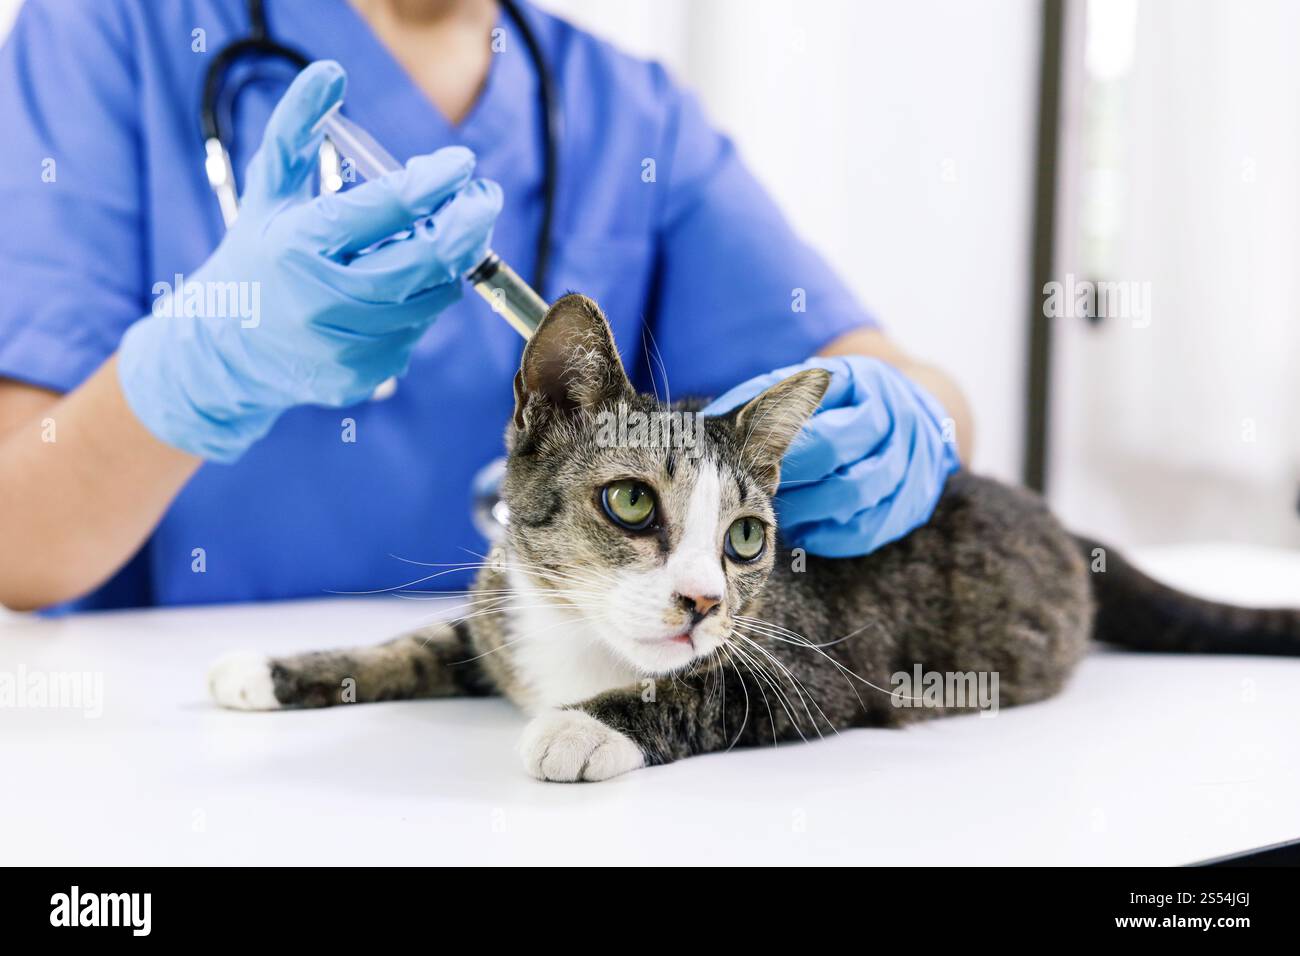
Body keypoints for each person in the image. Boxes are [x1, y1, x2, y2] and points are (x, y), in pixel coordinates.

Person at [0, 0, 971, 613]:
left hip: (531, 730)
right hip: (178, 744)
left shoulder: (628, 114)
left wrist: (906, 421)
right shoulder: (104, 31)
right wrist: (201, 370)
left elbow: (903, 382)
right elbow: (17, 537)